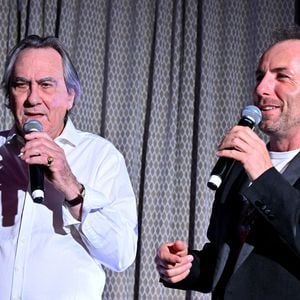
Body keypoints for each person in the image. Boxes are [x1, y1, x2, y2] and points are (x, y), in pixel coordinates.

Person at [155, 26, 300, 299]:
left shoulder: (255, 165)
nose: (261, 88)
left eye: (281, 76)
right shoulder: (240, 164)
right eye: (260, 76)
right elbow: (227, 256)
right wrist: (187, 266)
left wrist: (264, 175)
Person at [0, 35, 138, 300]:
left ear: (71, 96)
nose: (33, 99)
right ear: (9, 95)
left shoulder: (101, 156)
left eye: (46, 85)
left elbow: (121, 255)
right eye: (21, 85)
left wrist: (71, 187)